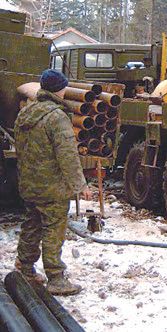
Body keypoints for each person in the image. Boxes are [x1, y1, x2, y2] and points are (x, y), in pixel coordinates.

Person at [14, 69, 92, 296]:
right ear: (60, 89)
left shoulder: (26, 113)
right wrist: (81, 185)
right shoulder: (57, 117)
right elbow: (67, 156)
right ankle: (56, 278)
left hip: (29, 183)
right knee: (53, 230)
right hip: (52, 187)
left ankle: (24, 267)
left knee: (31, 225)